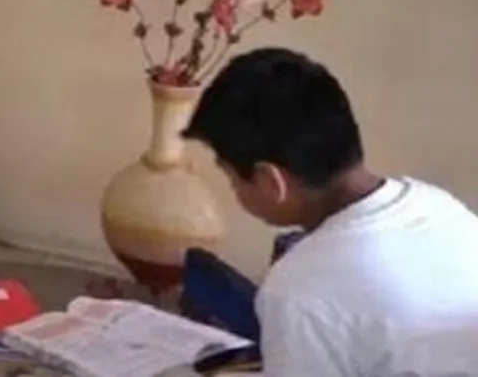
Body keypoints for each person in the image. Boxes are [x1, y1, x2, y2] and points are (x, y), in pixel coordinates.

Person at [181, 47, 478, 376]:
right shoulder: (438, 205)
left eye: (231, 177)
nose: (233, 190)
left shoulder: (299, 290)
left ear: (270, 181)